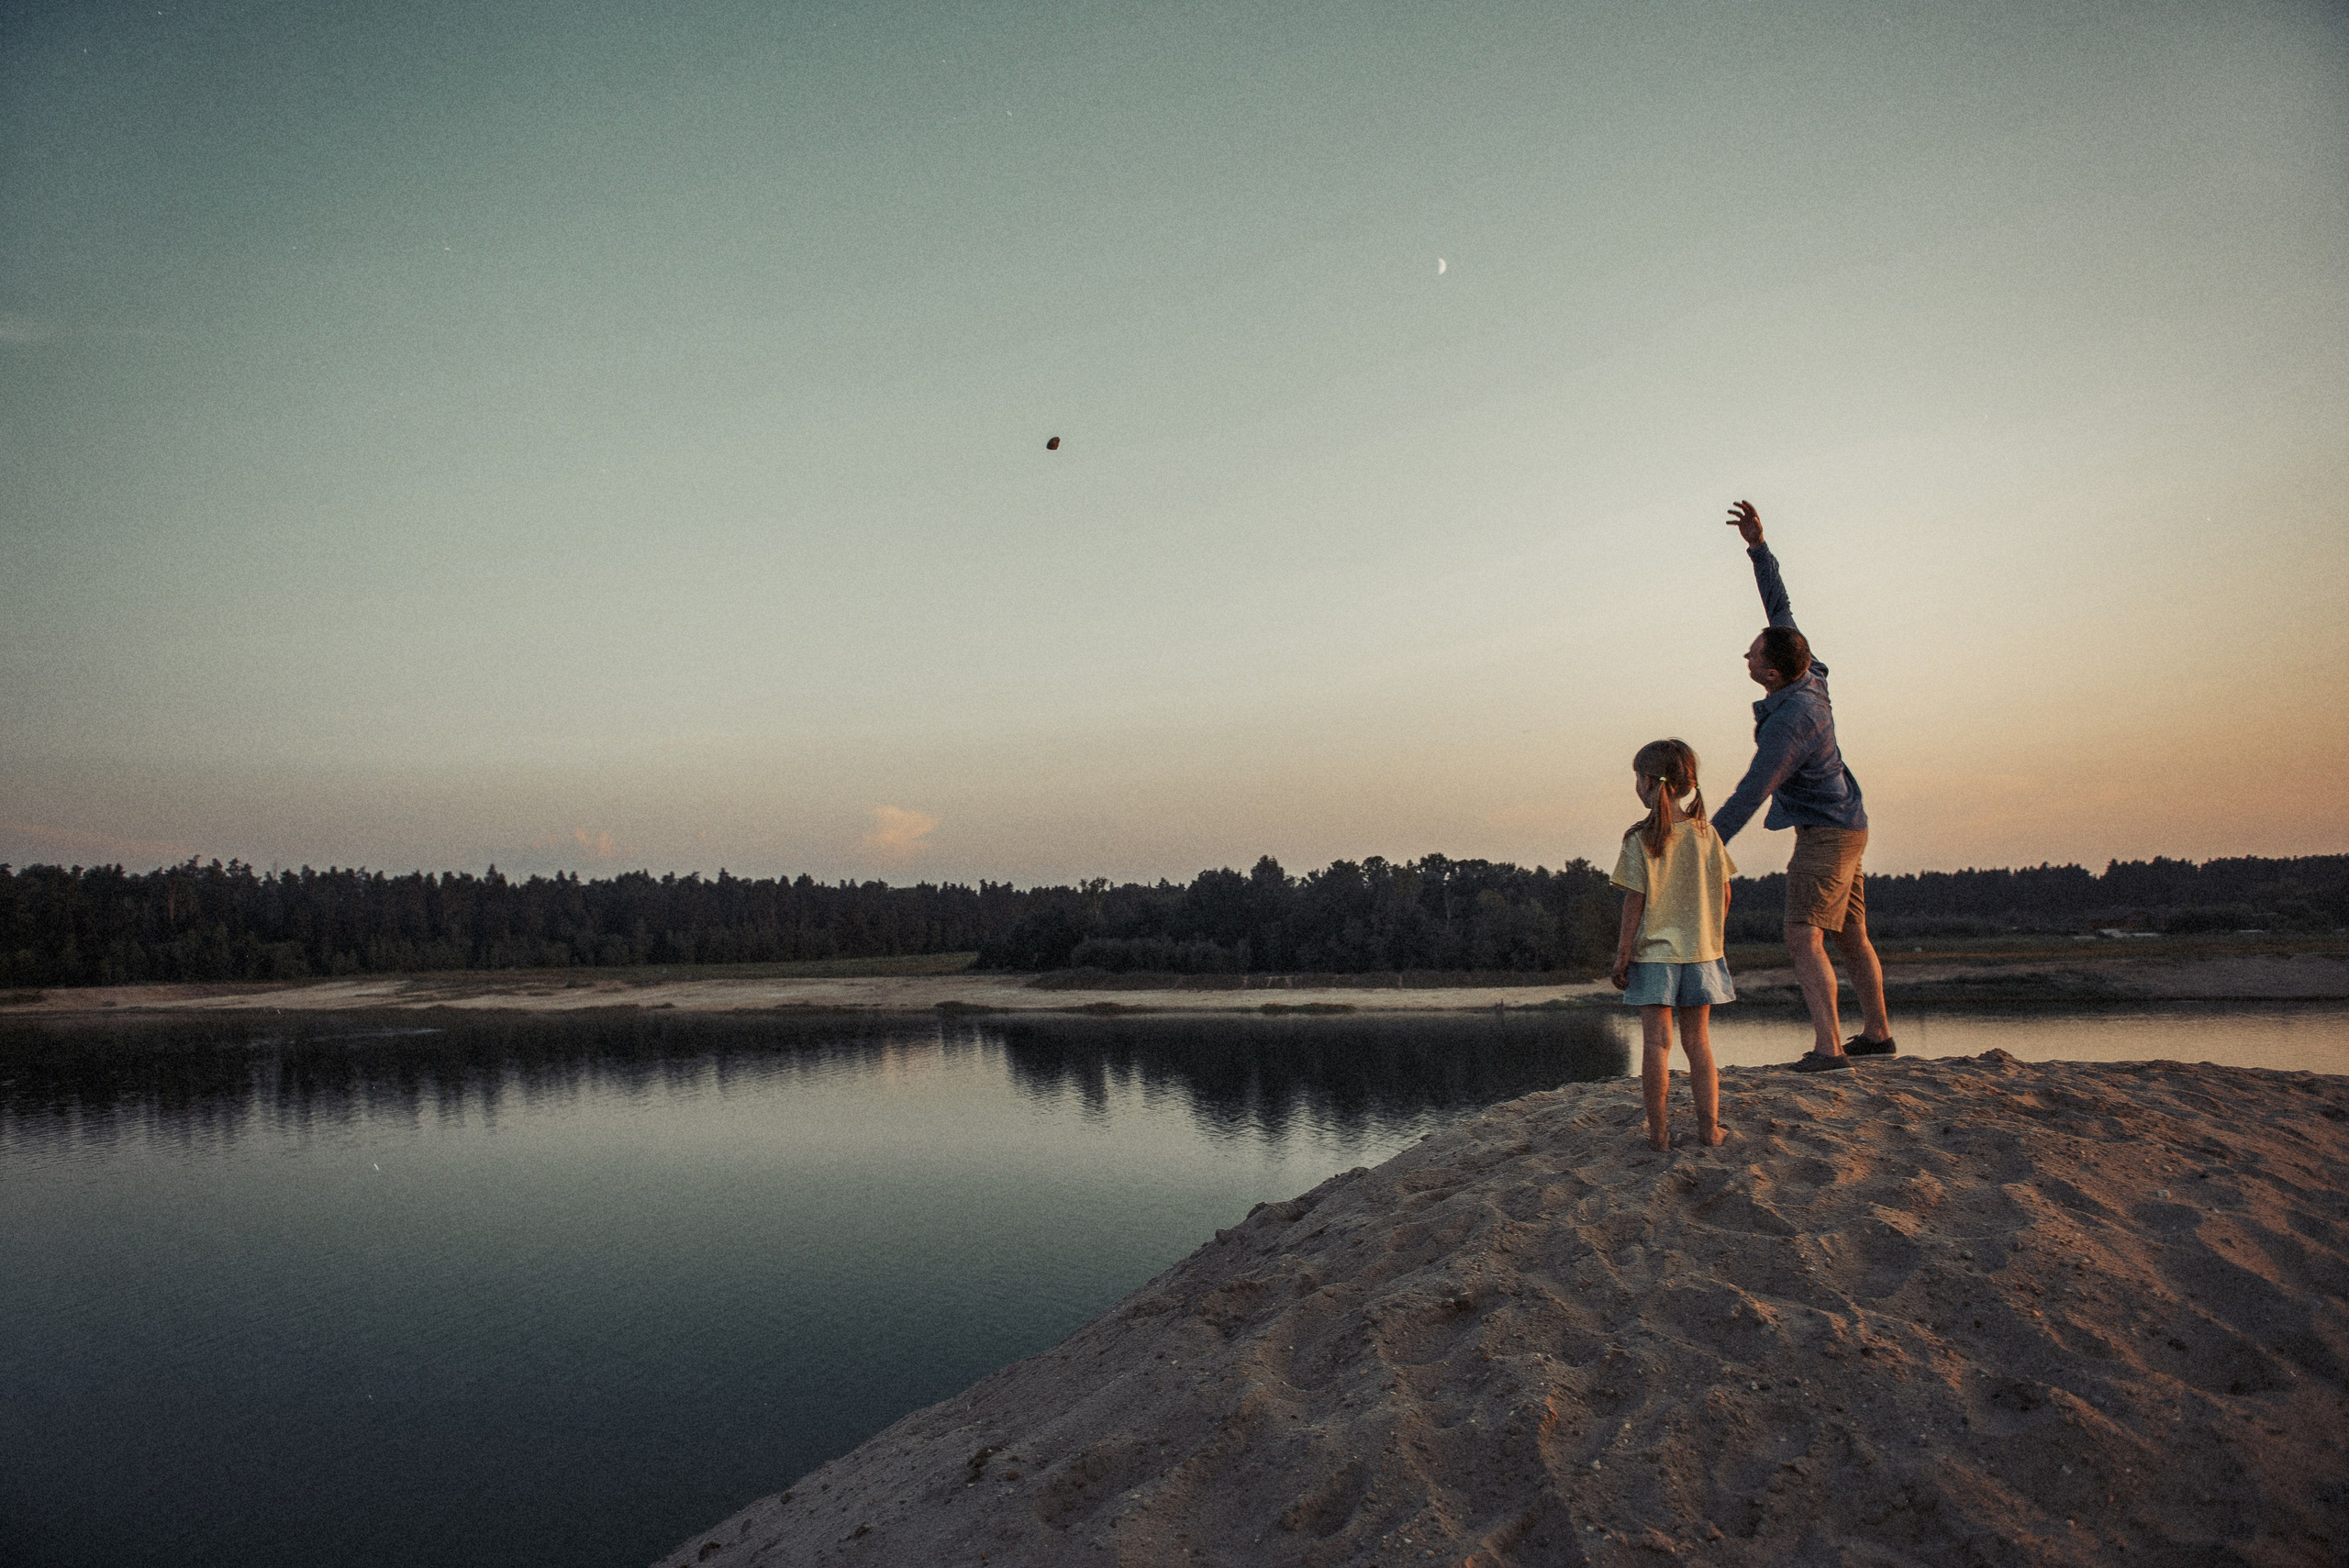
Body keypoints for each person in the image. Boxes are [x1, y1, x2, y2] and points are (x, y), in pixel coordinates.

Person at [1710, 500, 1896, 1073]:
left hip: (1828, 834)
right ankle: (1879, 1036)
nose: (1746, 651)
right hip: (1847, 823)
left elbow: (1753, 789)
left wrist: (1705, 842)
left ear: (1770, 672)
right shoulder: (1803, 666)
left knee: (1800, 934)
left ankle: (1829, 1048)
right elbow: (1780, 604)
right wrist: (1758, 546)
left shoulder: (1791, 723)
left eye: (1753, 652)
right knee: (1850, 933)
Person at [1609, 739, 1735, 1150]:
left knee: (1655, 1045)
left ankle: (1660, 1135)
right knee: (1699, 1044)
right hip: (1702, 953)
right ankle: (1708, 1130)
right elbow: (1725, 892)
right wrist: (1712, 933)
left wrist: (1623, 954)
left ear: (1648, 782)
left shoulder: (1640, 839)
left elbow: (1635, 901)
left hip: (1655, 957)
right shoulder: (1707, 834)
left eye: (1636, 778)